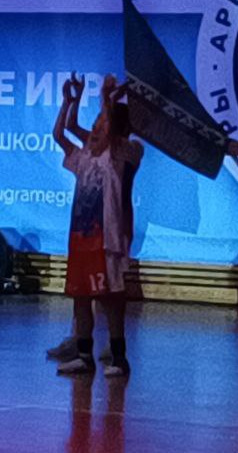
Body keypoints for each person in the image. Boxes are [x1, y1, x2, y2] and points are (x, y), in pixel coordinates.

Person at [52, 73, 142, 377]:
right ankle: (83, 355)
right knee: (81, 297)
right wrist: (70, 101)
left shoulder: (124, 153)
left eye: (101, 126)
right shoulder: (84, 158)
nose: (94, 130)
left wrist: (106, 99)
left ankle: (119, 357)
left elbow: (110, 136)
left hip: (108, 237)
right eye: (94, 125)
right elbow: (61, 134)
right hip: (81, 237)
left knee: (111, 298)